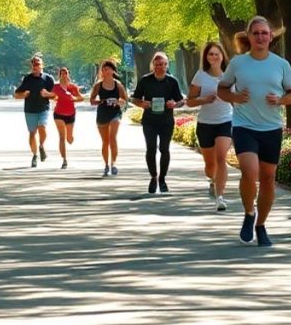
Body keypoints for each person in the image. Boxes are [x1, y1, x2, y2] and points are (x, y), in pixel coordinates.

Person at [217, 16, 291, 247]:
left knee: (267, 178)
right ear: (249, 37)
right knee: (250, 172)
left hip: (271, 128)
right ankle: (248, 212)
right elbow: (222, 89)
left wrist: (281, 100)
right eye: (256, 33)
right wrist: (234, 97)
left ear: (271, 37)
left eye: (264, 33)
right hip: (244, 126)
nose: (261, 37)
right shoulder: (237, 63)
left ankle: (261, 225)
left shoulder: (281, 64)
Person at [187, 41, 234, 211]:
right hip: (205, 123)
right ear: (206, 58)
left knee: (221, 157)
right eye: (210, 54)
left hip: (226, 120)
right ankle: (212, 179)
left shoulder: (230, 75)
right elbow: (190, 101)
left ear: (222, 55)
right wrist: (204, 100)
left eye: (216, 54)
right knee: (210, 166)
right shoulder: (200, 76)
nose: (214, 57)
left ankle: (220, 197)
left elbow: (236, 98)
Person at [131, 52, 185, 194]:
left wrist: (174, 104)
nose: (160, 67)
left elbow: (181, 101)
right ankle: (153, 176)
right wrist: (143, 103)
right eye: (157, 65)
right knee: (151, 149)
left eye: (163, 64)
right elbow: (135, 99)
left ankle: (162, 178)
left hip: (166, 121)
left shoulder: (172, 81)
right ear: (153, 66)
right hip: (149, 120)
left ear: (167, 65)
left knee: (164, 149)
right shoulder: (145, 80)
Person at [14, 53, 56, 167]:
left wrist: (47, 94)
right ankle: (34, 155)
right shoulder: (27, 79)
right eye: (33, 64)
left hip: (43, 108)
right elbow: (16, 94)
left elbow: (55, 95)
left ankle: (41, 145)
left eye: (37, 64)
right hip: (30, 110)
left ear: (42, 65)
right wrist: (24, 94)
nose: (35, 66)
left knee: (42, 127)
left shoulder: (48, 79)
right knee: (32, 134)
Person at [89, 59, 128, 176]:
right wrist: (101, 101)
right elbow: (92, 100)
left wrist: (118, 101)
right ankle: (106, 165)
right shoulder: (98, 85)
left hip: (115, 113)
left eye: (108, 69)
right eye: (104, 69)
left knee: (112, 138)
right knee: (105, 141)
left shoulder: (118, 85)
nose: (105, 71)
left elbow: (124, 99)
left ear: (113, 71)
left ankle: (114, 163)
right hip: (102, 114)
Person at [51, 66, 83, 169]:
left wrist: (73, 98)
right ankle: (64, 160)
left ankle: (70, 137)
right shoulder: (55, 87)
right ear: (59, 75)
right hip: (58, 113)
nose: (64, 75)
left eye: (65, 73)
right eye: (62, 73)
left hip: (70, 114)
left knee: (69, 139)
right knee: (61, 137)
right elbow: (50, 96)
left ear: (68, 74)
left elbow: (81, 98)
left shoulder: (73, 87)